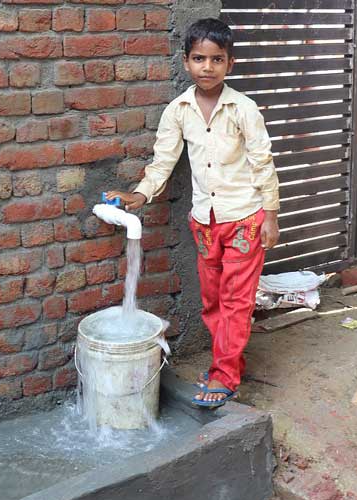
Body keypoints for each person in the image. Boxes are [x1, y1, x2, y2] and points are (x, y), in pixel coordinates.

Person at [106, 18, 280, 408]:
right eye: (199, 58)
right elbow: (163, 161)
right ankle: (228, 361)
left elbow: (262, 163)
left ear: (229, 64)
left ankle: (225, 375)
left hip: (244, 218)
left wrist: (271, 214)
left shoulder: (243, 109)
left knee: (237, 301)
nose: (207, 67)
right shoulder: (178, 111)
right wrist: (139, 195)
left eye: (216, 59)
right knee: (213, 301)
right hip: (205, 221)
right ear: (186, 62)